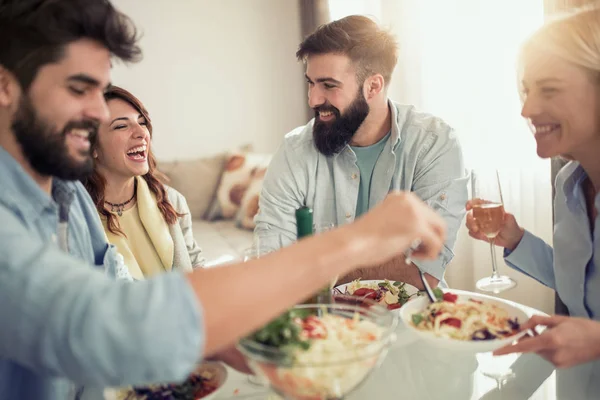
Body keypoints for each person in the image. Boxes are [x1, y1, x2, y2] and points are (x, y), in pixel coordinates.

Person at [0, 1, 447, 399]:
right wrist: (356, 241)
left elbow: (120, 293)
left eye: (101, 90)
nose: (99, 112)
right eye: (79, 89)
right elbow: (106, 323)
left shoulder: (70, 198)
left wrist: (225, 338)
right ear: (4, 86)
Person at [254, 15, 468, 290]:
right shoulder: (294, 152)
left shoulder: (435, 143)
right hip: (321, 325)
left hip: (411, 320)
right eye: (311, 83)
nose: (313, 99)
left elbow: (423, 270)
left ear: (373, 86)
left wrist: (313, 269)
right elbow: (271, 268)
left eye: (328, 85)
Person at [464, 4, 600, 370]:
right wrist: (516, 239)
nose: (527, 109)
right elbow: (582, 285)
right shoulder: (570, 183)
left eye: (549, 90)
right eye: (527, 90)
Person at [83, 86, 204, 280]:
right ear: (93, 146)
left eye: (142, 122)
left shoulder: (172, 200)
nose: (141, 133)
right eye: (121, 126)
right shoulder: (77, 217)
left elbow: (196, 266)